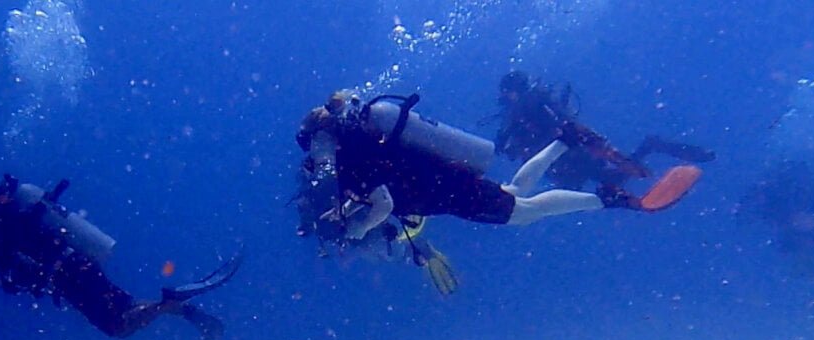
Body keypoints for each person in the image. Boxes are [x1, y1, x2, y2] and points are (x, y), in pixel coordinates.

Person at [295, 90, 690, 251]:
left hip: (445, 191)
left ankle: (606, 198)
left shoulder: (353, 158)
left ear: (320, 141)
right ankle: (566, 139)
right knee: (514, 192)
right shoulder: (364, 140)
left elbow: (381, 203)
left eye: (314, 152)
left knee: (524, 212)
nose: (316, 161)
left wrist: (357, 228)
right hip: (445, 179)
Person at [0, 176, 241, 340]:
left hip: (68, 276)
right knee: (124, 310)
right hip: (77, 265)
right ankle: (186, 311)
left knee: (118, 326)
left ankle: (168, 301)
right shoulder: (6, 216)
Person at [493, 70, 715, 192]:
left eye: (505, 94)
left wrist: (504, 143)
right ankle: (647, 152)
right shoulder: (535, 99)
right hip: (571, 151)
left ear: (511, 92)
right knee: (604, 181)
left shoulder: (521, 106)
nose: (503, 99)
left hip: (567, 155)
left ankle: (649, 147)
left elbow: (509, 143)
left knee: (606, 180)